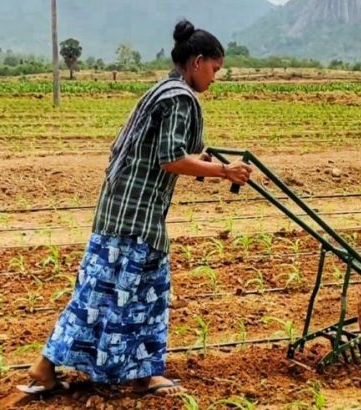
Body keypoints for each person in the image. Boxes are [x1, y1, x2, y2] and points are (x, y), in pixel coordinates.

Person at [19, 20, 253, 397]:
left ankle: (77, 369)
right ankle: (134, 374)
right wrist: (223, 170)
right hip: (138, 216)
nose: (215, 78)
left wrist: (205, 161)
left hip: (117, 208)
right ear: (197, 62)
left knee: (99, 292)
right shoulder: (181, 98)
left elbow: (164, 151)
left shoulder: (161, 90)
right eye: (215, 69)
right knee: (142, 292)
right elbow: (170, 157)